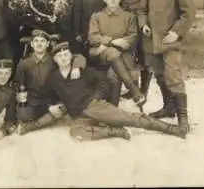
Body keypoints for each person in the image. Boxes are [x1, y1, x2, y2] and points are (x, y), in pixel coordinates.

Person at [44, 42, 186, 141]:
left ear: (71, 57)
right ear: (55, 60)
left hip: (93, 107)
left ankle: (172, 129)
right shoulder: (54, 78)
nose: (63, 58)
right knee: (76, 132)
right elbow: (47, 95)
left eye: (65, 54)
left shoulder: (83, 71)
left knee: (132, 119)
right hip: (78, 115)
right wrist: (50, 106)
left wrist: (96, 97)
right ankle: (115, 131)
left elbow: (103, 82)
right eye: (59, 56)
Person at [138, 0, 196, 136]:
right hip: (152, 40)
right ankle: (168, 107)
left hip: (170, 40)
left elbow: (188, 13)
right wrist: (143, 24)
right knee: (160, 74)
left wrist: (176, 32)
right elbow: (142, 10)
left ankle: (183, 119)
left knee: (174, 77)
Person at [14, 29, 87, 135]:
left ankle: (30, 126)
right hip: (33, 99)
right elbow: (17, 83)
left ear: (48, 44)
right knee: (23, 115)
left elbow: (78, 57)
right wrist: (19, 94)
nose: (39, 44)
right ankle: (38, 118)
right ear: (32, 44)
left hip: (52, 98)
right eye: (36, 41)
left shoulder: (54, 59)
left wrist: (76, 66)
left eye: (42, 41)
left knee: (60, 110)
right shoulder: (24, 63)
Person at [87, 0, 145, 107]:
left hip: (125, 54)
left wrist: (110, 43)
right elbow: (92, 38)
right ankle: (133, 89)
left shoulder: (129, 17)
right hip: (102, 54)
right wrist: (113, 41)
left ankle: (113, 110)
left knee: (113, 74)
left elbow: (132, 37)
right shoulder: (97, 16)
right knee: (112, 52)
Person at [114, 0, 151, 98]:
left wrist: (146, 23)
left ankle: (144, 89)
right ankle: (133, 89)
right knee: (129, 56)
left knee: (144, 57)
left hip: (143, 23)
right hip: (127, 24)